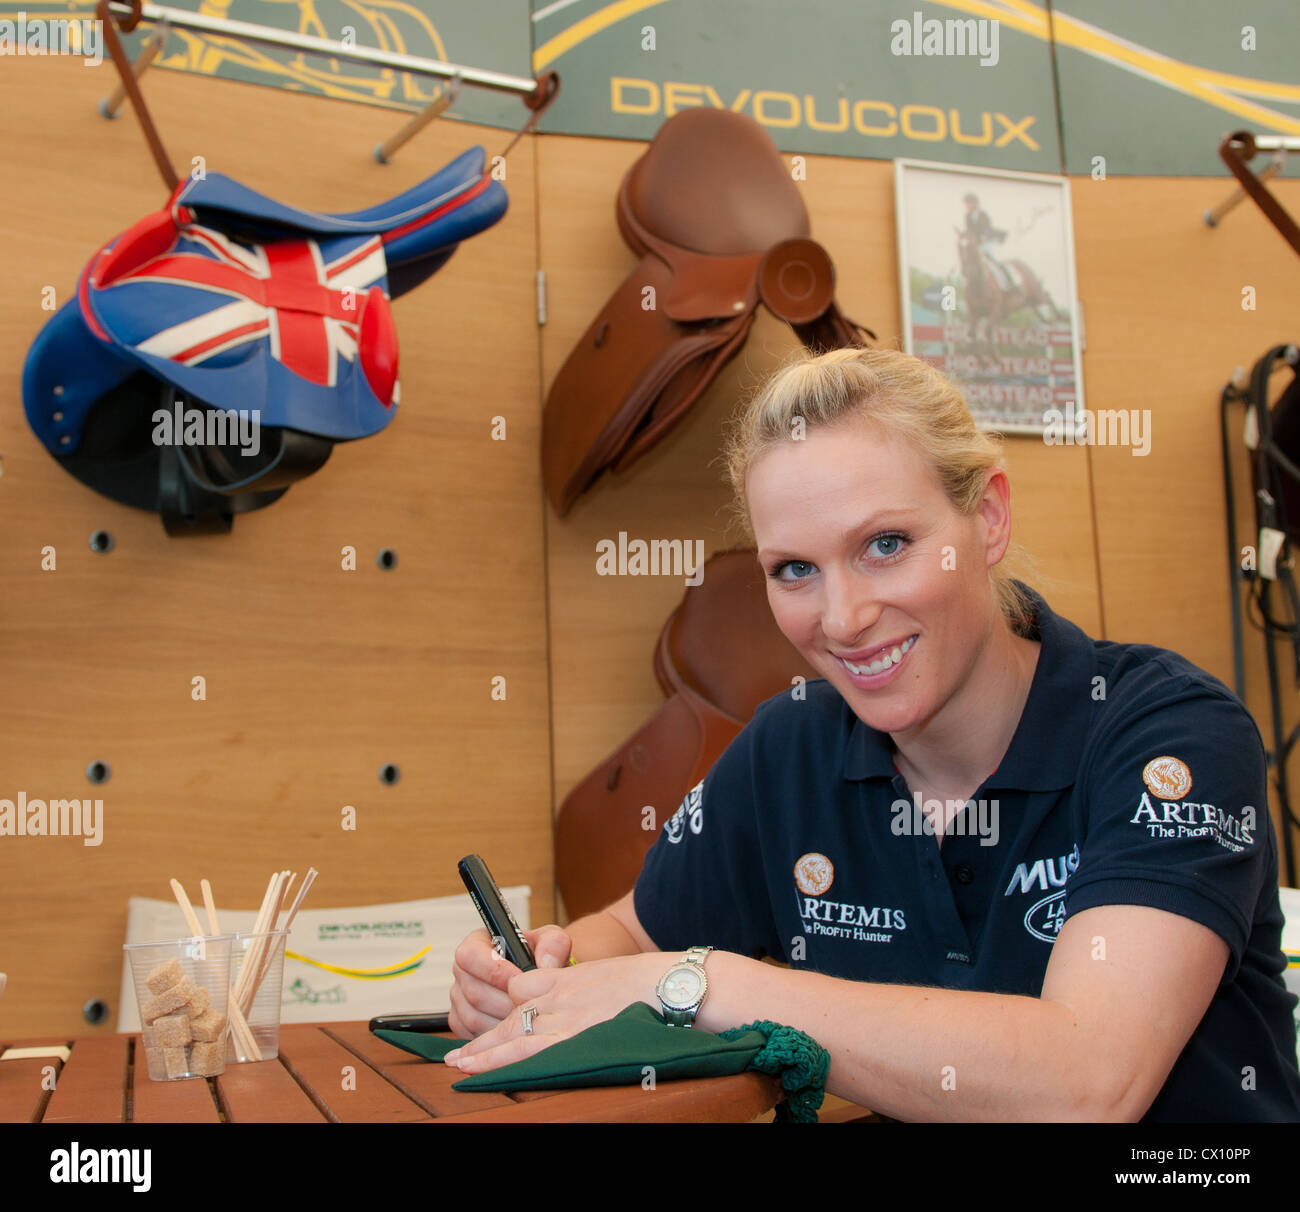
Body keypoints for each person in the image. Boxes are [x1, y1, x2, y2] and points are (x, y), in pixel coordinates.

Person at [447, 347, 1300, 1122]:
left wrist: (702, 984)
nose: (844, 619)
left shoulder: (1171, 732)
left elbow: (1086, 1082)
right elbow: (635, 934)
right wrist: (545, 972)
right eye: (794, 570)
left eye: (886, 544)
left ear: (989, 518)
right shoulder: (788, 745)